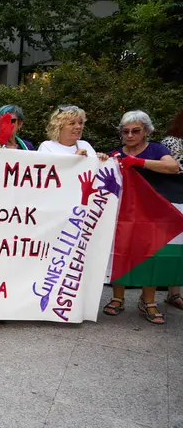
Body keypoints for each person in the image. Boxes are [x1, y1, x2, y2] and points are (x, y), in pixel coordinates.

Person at [104, 110, 180, 324]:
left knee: (150, 254)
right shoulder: (115, 153)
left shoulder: (156, 149)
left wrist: (139, 162)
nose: (130, 135)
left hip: (152, 213)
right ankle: (117, 298)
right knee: (120, 252)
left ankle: (149, 301)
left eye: (135, 131)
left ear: (146, 131)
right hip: (123, 213)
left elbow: (173, 167)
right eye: (125, 131)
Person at [161, 108, 183, 310]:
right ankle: (173, 293)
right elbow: (172, 169)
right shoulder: (171, 142)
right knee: (175, 248)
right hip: (175, 198)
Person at [38, 106, 107, 160]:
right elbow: (46, 171)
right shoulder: (47, 147)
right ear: (59, 127)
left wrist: (101, 160)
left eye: (80, 123)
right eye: (72, 123)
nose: (78, 127)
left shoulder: (85, 145)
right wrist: (75, 158)